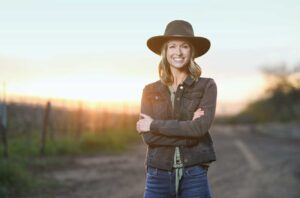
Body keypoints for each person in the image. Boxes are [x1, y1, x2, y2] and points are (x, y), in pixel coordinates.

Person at [136, 20, 217, 198]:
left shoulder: (206, 86)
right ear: (165, 52)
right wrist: (190, 133)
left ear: (192, 51)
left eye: (184, 46)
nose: (178, 52)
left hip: (194, 173)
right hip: (157, 175)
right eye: (172, 46)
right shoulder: (150, 90)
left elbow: (199, 128)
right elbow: (149, 137)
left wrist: (154, 125)